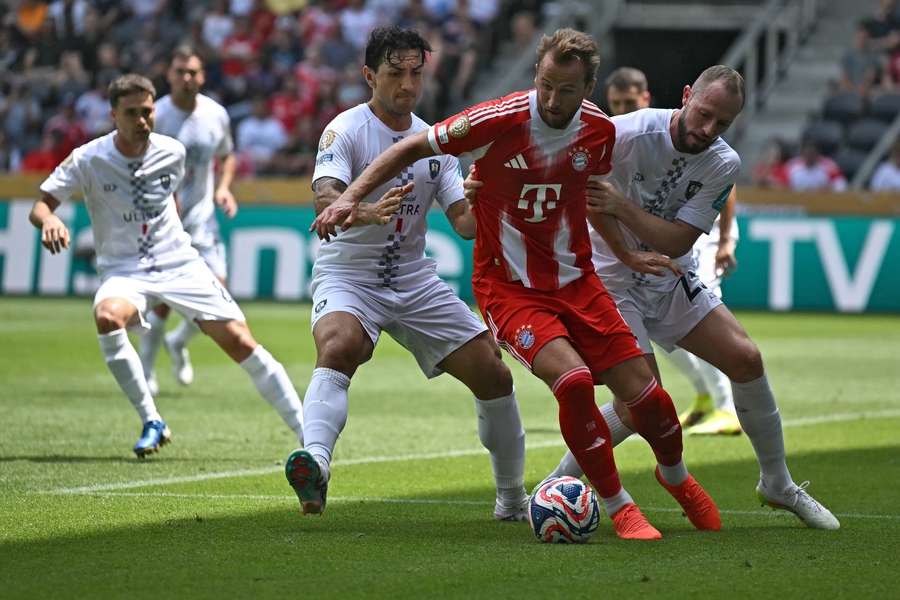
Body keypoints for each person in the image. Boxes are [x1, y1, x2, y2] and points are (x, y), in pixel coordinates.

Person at [311, 28, 721, 539]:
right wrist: (351, 199)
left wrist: (628, 254)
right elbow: (414, 147)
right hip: (508, 287)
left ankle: (676, 477)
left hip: (577, 281)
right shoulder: (496, 117)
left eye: (566, 90)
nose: (551, 99)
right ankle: (618, 505)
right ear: (536, 74)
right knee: (571, 384)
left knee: (647, 396)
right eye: (545, 83)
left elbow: (592, 199)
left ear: (588, 88)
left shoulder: (599, 132)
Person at [533, 65, 839, 530]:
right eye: (703, 114)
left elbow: (677, 241)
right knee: (643, 406)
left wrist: (623, 207)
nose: (707, 130)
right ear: (685, 95)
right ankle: (559, 482)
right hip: (608, 278)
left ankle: (777, 483)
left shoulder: (723, 161)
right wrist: (624, 244)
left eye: (722, 124)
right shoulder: (625, 133)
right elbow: (588, 203)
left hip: (670, 272)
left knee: (746, 358)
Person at [284, 26, 529, 522]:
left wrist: (484, 199)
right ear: (370, 75)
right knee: (338, 348)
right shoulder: (345, 129)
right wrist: (366, 210)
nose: (408, 85)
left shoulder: (437, 142)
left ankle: (512, 498)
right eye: (396, 73)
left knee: (494, 373)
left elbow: (462, 225)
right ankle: (316, 462)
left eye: (416, 73)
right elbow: (326, 196)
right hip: (349, 276)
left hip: (414, 280)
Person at [29, 74, 305, 458]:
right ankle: (152, 420)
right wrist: (51, 220)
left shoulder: (172, 151)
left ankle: (310, 436)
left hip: (179, 263)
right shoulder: (89, 158)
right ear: (113, 115)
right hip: (124, 270)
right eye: (131, 113)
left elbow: (170, 199)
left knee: (242, 342)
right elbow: (41, 206)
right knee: (108, 317)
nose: (142, 120)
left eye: (147, 111)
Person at [603, 66, 741, 435]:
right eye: (614, 103)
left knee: (699, 328)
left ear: (645, 99)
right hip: (640, 252)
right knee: (658, 359)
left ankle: (725, 406)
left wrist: (726, 238)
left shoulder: (685, 135)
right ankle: (704, 396)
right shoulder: (623, 136)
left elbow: (723, 190)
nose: (620, 109)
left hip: (697, 242)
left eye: (628, 102)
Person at [137, 45, 238, 396]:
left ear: (202, 76)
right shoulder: (155, 116)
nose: (186, 78)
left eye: (193, 72)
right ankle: (146, 373)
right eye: (180, 71)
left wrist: (224, 188)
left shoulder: (216, 114)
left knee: (219, 294)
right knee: (163, 300)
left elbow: (226, 155)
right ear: (169, 75)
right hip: (163, 222)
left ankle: (178, 341)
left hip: (202, 219)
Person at [784, 139, 848, 192]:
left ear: (817, 154)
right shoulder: (791, 165)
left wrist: (828, 190)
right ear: (802, 153)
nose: (809, 157)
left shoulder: (829, 165)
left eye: (812, 153)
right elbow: (781, 185)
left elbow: (841, 185)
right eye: (807, 153)